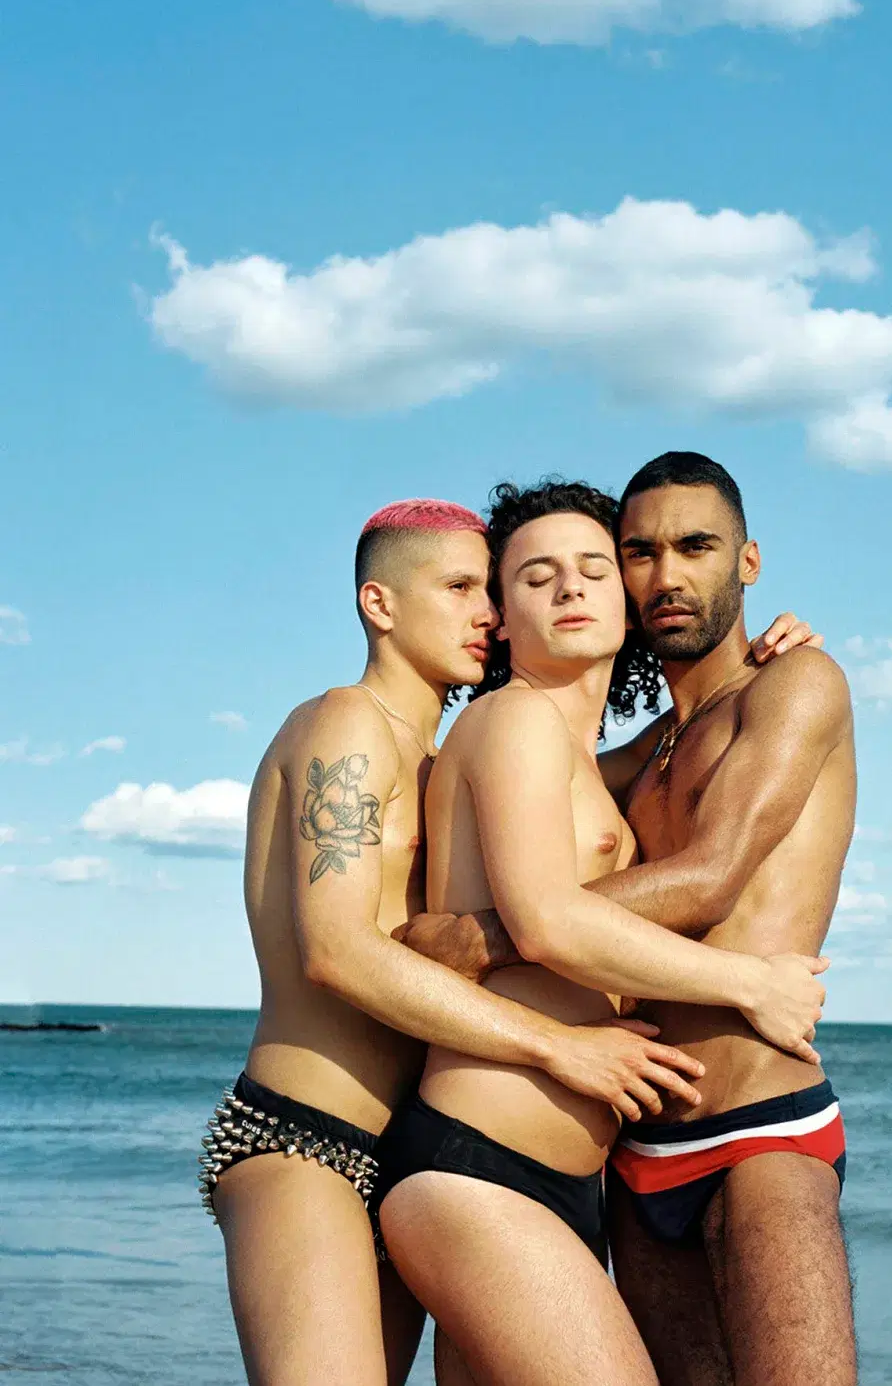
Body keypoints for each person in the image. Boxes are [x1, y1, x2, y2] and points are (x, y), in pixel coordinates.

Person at [199, 498, 715, 1386]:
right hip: (307, 1136)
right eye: (461, 587)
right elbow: (339, 949)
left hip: (410, 1140)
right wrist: (559, 1046)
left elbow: (612, 762)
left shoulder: (445, 755)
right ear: (380, 605)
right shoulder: (345, 725)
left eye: (489, 589)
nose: (486, 612)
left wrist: (744, 672)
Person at [405, 453, 857, 1386]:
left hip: (756, 1123)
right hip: (635, 1148)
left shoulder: (796, 684)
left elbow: (711, 876)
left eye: (697, 547)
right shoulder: (638, 752)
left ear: (749, 561)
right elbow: (521, 814)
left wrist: (484, 938)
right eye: (640, 552)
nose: (667, 575)